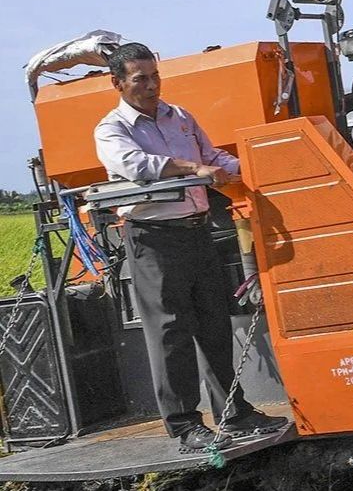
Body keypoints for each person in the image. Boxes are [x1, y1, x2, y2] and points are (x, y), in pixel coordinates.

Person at [94, 43, 287, 453]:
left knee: (214, 323)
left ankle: (233, 412)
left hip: (197, 233)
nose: (151, 86)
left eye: (155, 76)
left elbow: (210, 154)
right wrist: (193, 169)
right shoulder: (111, 129)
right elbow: (137, 165)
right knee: (171, 331)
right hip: (154, 237)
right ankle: (184, 427)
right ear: (118, 84)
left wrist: (258, 164)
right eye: (140, 79)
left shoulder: (179, 117)